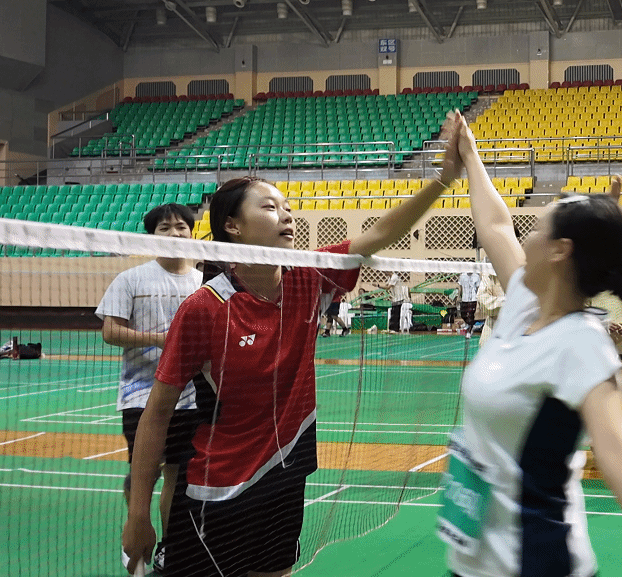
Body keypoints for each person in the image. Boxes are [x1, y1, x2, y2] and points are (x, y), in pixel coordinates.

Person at [121, 115, 466, 576]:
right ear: (233, 226)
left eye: (287, 207)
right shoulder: (205, 308)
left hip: (287, 475)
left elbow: (379, 234)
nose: (286, 215)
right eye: (269, 207)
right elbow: (158, 412)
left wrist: (443, 179)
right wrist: (138, 514)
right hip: (220, 490)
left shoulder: (308, 276)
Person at [438, 116, 622, 577]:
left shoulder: (580, 344)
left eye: (537, 229)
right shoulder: (523, 301)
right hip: (474, 564)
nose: (526, 237)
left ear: (560, 250)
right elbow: (495, 225)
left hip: (535, 563)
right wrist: (469, 154)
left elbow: (620, 455)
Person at [96, 203, 203, 573]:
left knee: (179, 474)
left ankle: (170, 547)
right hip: (141, 394)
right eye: (164, 228)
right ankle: (136, 530)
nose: (174, 233)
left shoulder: (204, 282)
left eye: (181, 226)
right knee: (144, 473)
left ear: (191, 232)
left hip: (191, 397)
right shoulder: (132, 279)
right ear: (151, 236)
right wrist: (157, 340)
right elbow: (110, 331)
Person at [475, 271, 505, 341]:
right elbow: (482, 299)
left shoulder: (528, 274)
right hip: (493, 330)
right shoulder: (489, 275)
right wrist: (506, 302)